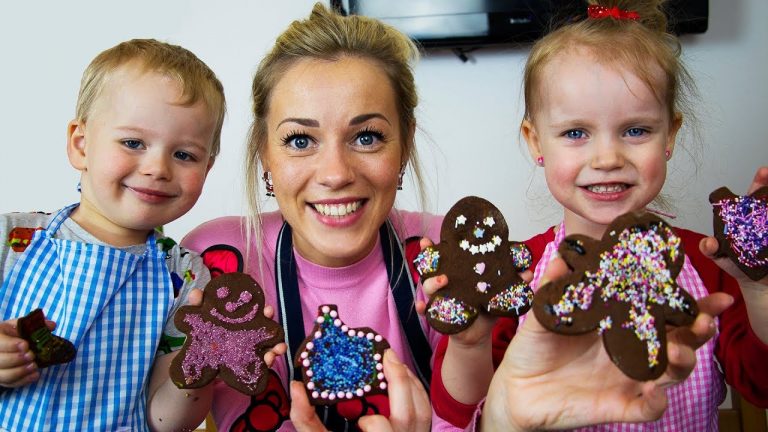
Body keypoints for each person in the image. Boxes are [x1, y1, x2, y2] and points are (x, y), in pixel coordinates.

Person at [427, 0, 768, 430]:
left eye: (636, 130)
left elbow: (760, 384)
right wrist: (470, 345)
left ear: (670, 135)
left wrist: (759, 291)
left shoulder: (706, 262)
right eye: (575, 133)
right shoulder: (518, 276)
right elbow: (463, 413)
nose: (607, 157)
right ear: (536, 142)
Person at [151, 4, 441, 431]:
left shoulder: (441, 254)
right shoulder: (217, 262)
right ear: (265, 152)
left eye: (366, 137)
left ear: (405, 142)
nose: (336, 174)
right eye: (300, 139)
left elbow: (482, 413)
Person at [0, 38, 226, 431]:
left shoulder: (187, 279)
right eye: (133, 143)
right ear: (81, 145)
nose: (157, 167)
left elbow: (166, 420)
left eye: (184, 154)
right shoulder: (12, 238)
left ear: (206, 169)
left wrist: (202, 361)